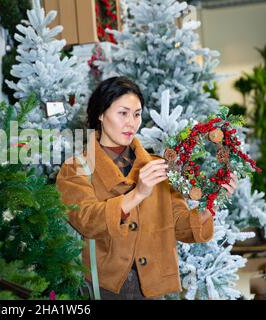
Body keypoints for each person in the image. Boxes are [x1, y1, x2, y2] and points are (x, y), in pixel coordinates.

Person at [55, 76, 238, 300]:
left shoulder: (157, 166)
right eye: (123, 113)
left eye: (137, 114)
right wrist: (138, 194)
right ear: (101, 115)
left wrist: (211, 204)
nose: (131, 122)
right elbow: (87, 220)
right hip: (102, 287)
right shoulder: (75, 169)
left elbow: (180, 225)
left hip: (151, 288)